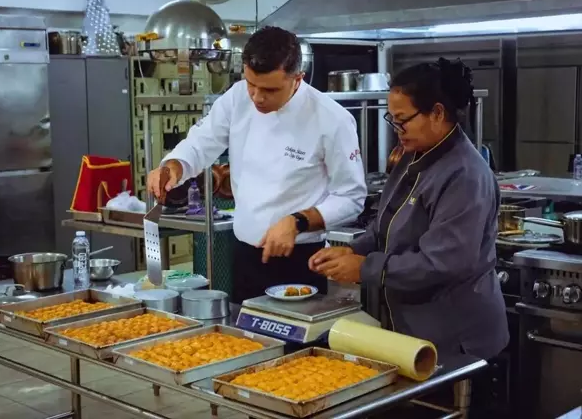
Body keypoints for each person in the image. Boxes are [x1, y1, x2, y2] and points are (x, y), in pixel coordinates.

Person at [147, 26, 367, 303]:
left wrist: (297, 222)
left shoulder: (332, 119)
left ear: (297, 79)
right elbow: (201, 143)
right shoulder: (238, 98)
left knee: (295, 345)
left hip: (300, 262)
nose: (257, 97)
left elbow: (351, 197)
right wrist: (175, 166)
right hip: (245, 256)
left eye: (270, 89)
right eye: (251, 84)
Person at [309, 57, 509, 362]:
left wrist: (364, 268)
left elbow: (441, 262)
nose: (396, 129)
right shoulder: (412, 155)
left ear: (437, 113)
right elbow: (385, 226)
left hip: (456, 338)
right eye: (392, 120)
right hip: (412, 329)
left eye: (402, 120)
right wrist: (352, 251)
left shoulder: (465, 175)